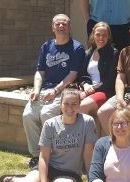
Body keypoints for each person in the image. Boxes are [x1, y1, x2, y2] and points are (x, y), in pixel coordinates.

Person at [22, 14, 85, 168]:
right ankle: (38, 156)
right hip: (44, 89)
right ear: (53, 28)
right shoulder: (46, 46)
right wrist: (36, 90)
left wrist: (56, 91)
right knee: (28, 115)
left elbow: (73, 74)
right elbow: (40, 72)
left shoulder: (77, 47)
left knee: (46, 114)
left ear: (69, 28)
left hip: (65, 90)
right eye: (57, 24)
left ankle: (54, 155)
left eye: (64, 24)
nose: (61, 26)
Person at [3, 90, 97, 182]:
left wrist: (91, 179)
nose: (70, 107)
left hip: (69, 174)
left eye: (74, 104)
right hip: (49, 167)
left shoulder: (87, 122)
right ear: (60, 105)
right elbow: (44, 157)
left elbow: (88, 154)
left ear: (79, 105)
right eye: (66, 103)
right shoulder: (50, 124)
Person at [89, 109, 130, 182]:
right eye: (116, 124)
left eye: (124, 123)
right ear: (111, 127)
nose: (119, 127)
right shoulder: (101, 144)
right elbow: (94, 175)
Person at [78, 22, 119, 116]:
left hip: (105, 91)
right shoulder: (88, 53)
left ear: (108, 37)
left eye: (104, 35)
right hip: (88, 89)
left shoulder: (113, 53)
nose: (101, 38)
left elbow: (110, 79)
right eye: (98, 35)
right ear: (93, 34)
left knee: (83, 105)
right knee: (68, 101)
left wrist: (92, 89)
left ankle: (85, 131)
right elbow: (81, 74)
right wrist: (85, 85)